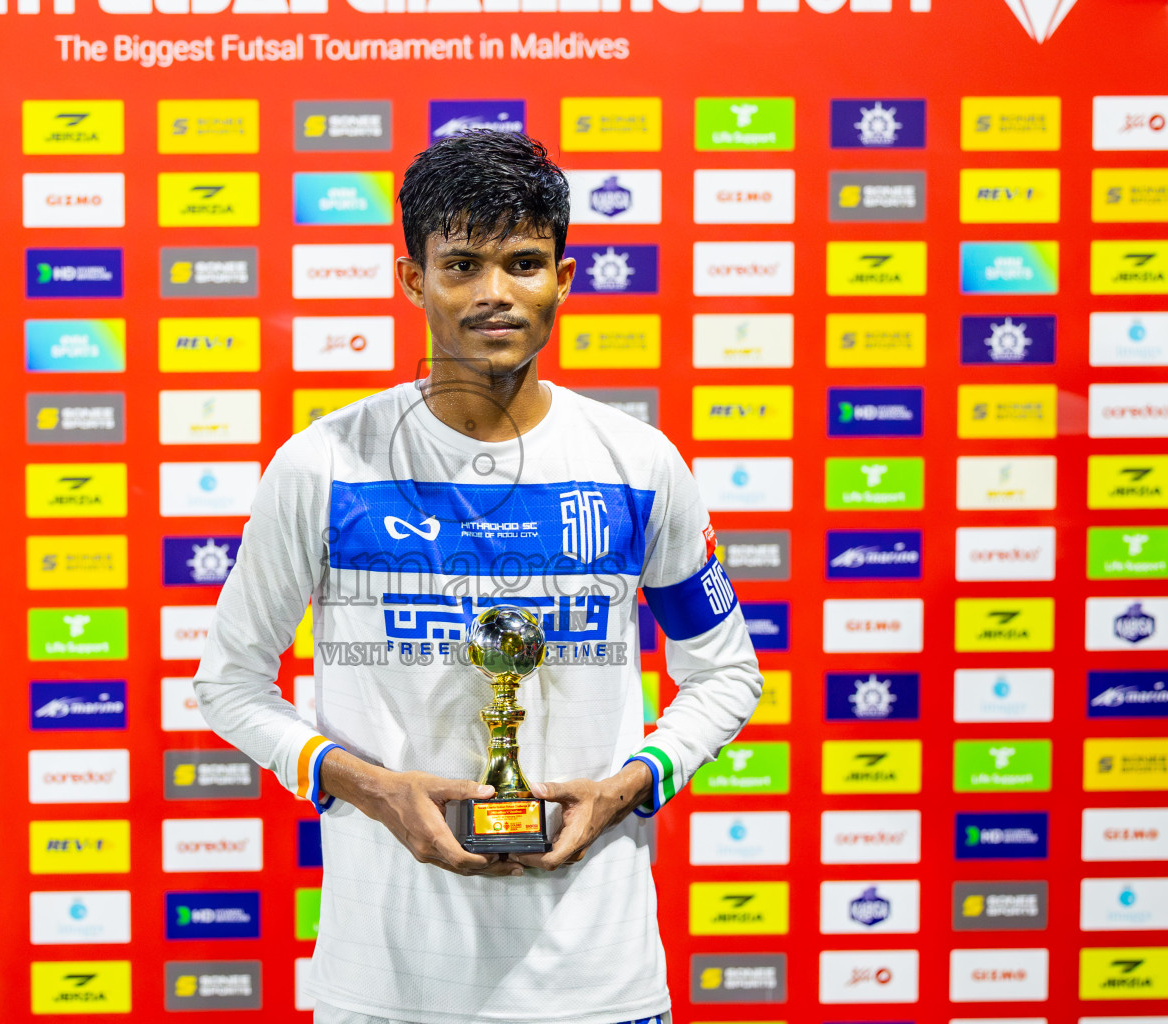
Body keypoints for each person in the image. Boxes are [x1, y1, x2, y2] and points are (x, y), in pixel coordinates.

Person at [194, 129, 764, 1024]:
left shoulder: (637, 463)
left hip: (598, 986)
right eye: (462, 264)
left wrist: (631, 783)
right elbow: (230, 686)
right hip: (384, 989)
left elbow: (724, 670)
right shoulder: (322, 467)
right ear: (414, 279)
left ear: (564, 279)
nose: (495, 294)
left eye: (525, 262)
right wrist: (378, 790)